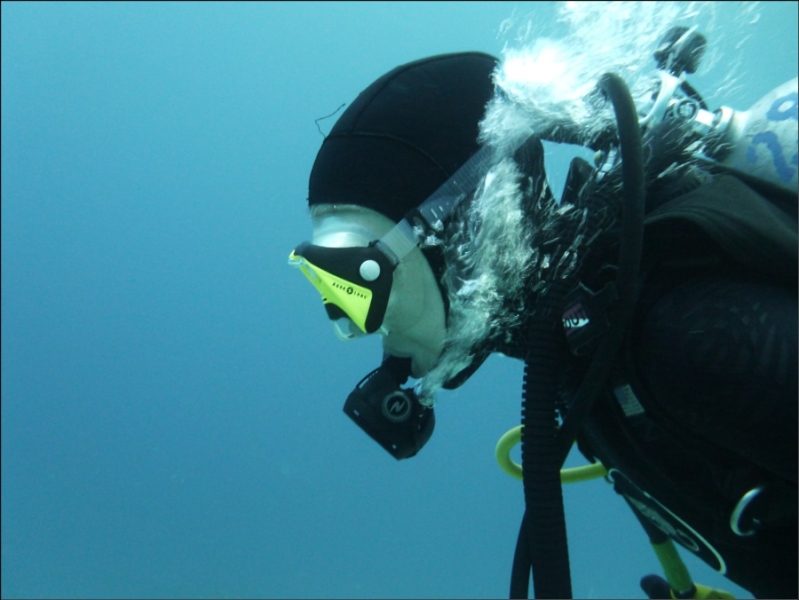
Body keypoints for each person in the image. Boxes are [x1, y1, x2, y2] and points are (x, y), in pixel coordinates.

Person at [289, 46, 797, 599]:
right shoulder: (591, 354)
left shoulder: (687, 332)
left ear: (464, 223)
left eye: (354, 283)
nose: (358, 326)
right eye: (328, 291)